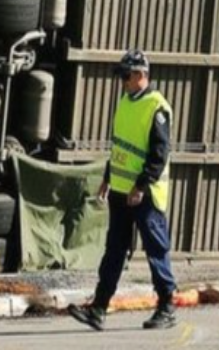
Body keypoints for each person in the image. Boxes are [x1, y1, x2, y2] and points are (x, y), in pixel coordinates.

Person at [69, 49, 177, 332]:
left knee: (156, 249)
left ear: (142, 75)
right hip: (120, 190)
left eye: (126, 76)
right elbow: (120, 146)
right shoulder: (125, 101)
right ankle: (98, 308)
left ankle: (166, 305)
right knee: (114, 250)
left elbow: (159, 155)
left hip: (145, 194)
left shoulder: (157, 107)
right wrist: (108, 176)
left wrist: (141, 186)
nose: (123, 82)